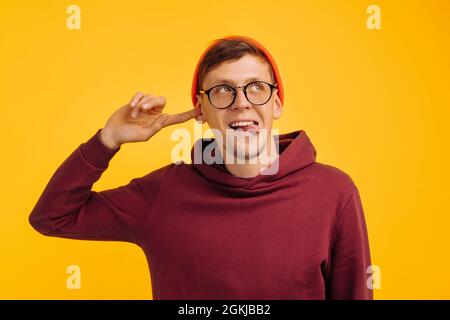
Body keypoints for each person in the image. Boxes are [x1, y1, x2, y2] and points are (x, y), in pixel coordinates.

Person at [29, 35, 373, 300]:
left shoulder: (333, 193)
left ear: (277, 104)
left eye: (256, 88)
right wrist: (107, 140)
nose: (241, 103)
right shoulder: (162, 193)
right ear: (200, 110)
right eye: (223, 90)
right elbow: (53, 217)